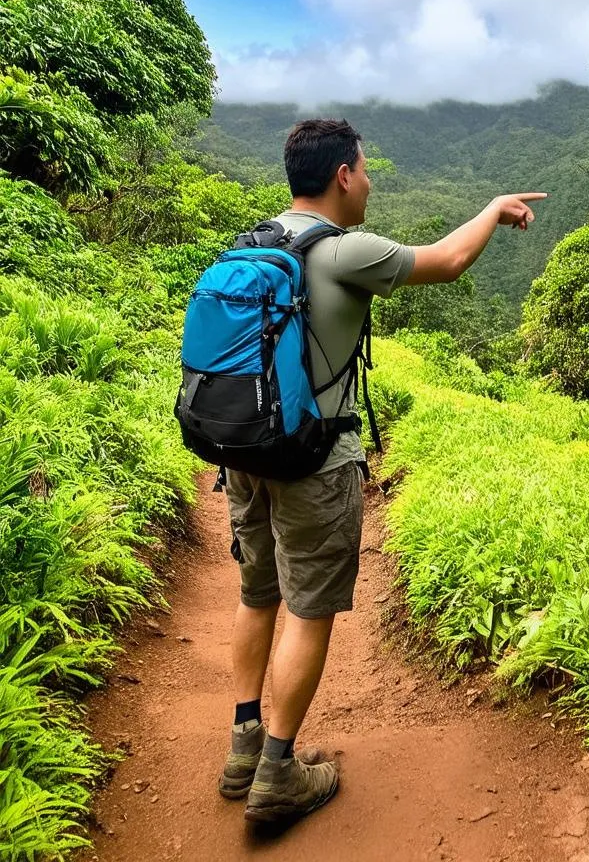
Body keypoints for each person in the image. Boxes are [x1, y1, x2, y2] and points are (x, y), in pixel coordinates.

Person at [219, 118, 545, 823]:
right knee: (308, 610)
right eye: (364, 170)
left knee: (258, 594)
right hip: (315, 458)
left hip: (243, 451)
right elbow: (448, 260)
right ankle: (279, 771)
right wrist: (492, 208)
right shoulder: (344, 251)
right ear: (342, 174)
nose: (368, 181)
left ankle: (244, 743)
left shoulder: (252, 242)